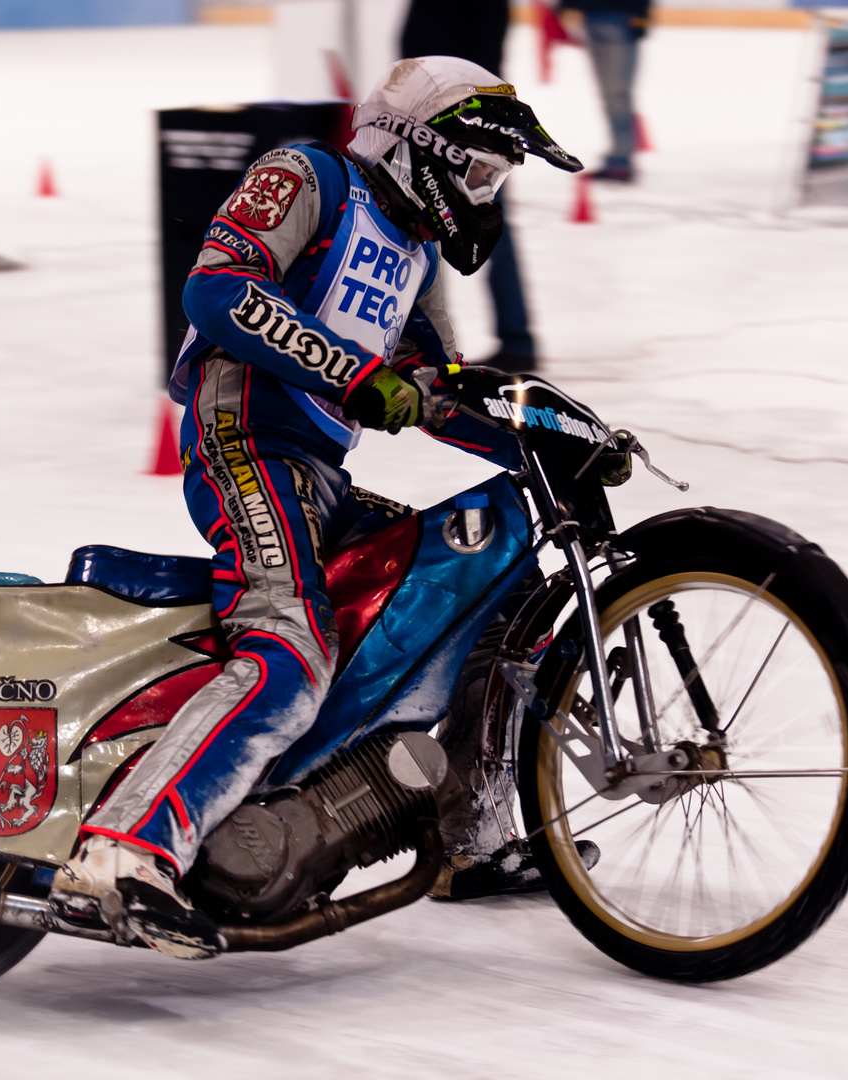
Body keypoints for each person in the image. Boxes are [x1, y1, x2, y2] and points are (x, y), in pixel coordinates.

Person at [47, 56, 584, 958]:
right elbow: (216, 290)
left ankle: (468, 837)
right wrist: (354, 374)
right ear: (424, 147)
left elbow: (427, 390)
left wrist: (543, 442)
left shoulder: (413, 253)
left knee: (477, 590)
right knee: (289, 648)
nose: (485, 196)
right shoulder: (310, 176)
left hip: (318, 475)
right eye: (480, 172)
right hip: (243, 441)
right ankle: (120, 852)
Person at [401, 0, 539, 370]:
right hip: (431, 119)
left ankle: (514, 338)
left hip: (462, 126)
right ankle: (430, 342)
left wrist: (466, 120)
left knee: (483, 224)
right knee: (426, 225)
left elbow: (482, 60)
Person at [560, 0, 651, 183]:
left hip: (615, 20)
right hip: (602, 18)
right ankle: (619, 158)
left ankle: (621, 160)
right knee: (614, 94)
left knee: (616, 94)